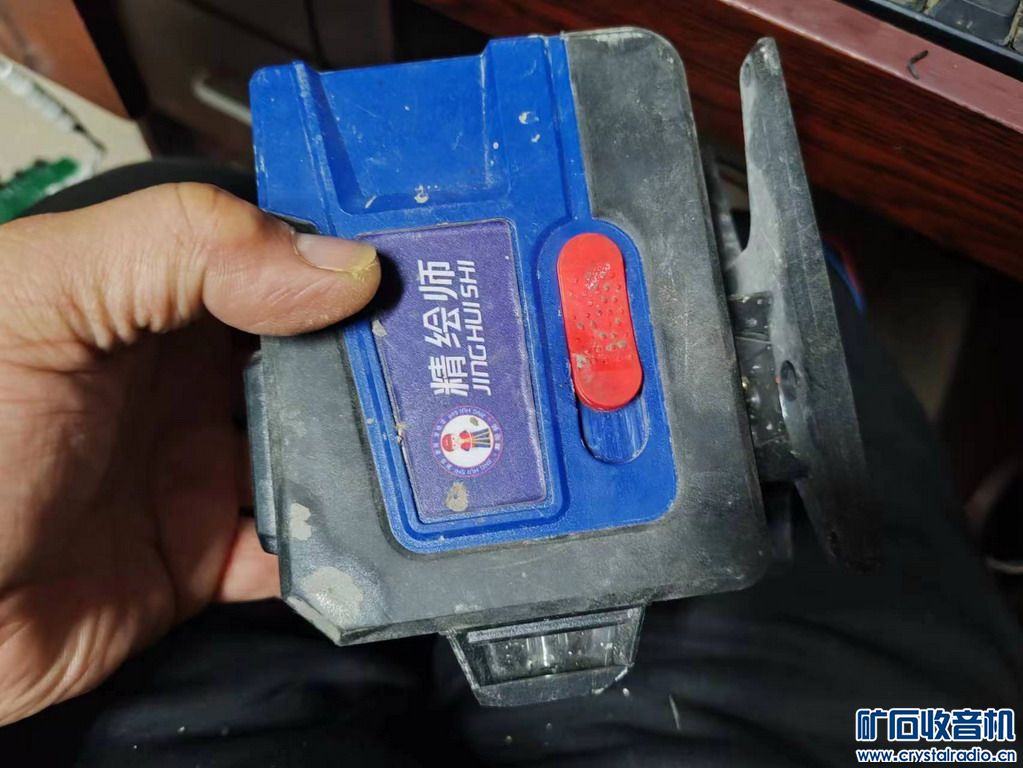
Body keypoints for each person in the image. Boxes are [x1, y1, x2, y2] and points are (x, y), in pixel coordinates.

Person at [0, 164, 1019, 766]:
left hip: (120, 658)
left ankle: (767, 270)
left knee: (173, 222)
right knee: (938, 729)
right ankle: (778, 273)